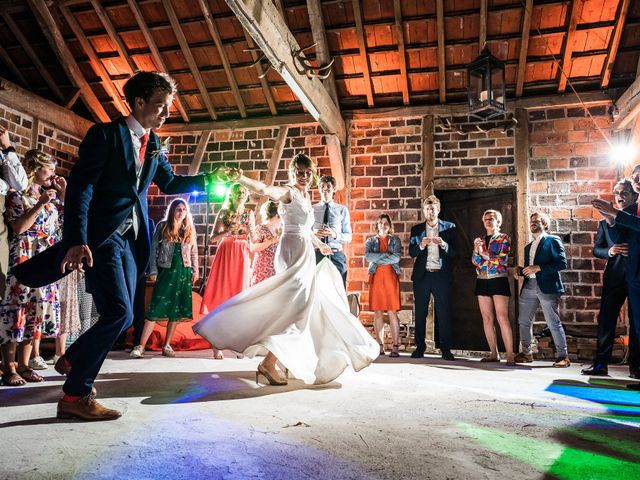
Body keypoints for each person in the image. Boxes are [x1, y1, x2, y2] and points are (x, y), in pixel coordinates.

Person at [14, 71, 223, 419]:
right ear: (138, 102)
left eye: (167, 107)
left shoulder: (154, 145)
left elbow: (170, 183)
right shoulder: (105, 135)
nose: (166, 113)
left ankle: (72, 359)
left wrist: (213, 179)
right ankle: (73, 397)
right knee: (119, 312)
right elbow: (81, 190)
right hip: (101, 239)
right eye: (160, 106)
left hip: (131, 242)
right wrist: (77, 241)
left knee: (123, 316)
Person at [194, 154, 379, 386]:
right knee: (297, 307)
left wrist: (319, 244)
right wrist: (242, 178)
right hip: (291, 249)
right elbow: (265, 189)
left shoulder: (306, 194)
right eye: (299, 172)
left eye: (307, 172)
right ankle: (269, 362)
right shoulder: (289, 192)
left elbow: (306, 229)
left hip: (305, 250)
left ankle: (280, 360)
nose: (303, 176)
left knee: (298, 306)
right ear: (292, 173)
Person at [0, 150, 65, 386]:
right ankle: (9, 367)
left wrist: (64, 196)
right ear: (35, 169)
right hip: (24, 256)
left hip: (44, 256)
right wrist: (39, 205)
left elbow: (61, 228)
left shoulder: (50, 197)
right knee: (16, 310)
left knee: (34, 313)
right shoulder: (17, 195)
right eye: (50, 168)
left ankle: (26, 364)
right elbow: (18, 228)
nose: (53, 173)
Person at [583, 180, 638, 377]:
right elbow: (597, 249)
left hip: (636, 274)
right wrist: (610, 251)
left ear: (634, 196)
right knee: (606, 318)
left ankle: (635, 366)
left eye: (624, 192)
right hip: (614, 275)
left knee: (635, 320)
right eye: (616, 193)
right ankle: (600, 364)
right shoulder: (605, 221)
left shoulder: (636, 217)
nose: (619, 196)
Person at [131, 198, 198, 358]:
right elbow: (153, 250)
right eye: (178, 209)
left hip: (184, 271)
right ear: (172, 210)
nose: (181, 212)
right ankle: (140, 346)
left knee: (175, 310)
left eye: (184, 209)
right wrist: (153, 270)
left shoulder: (189, 228)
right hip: (166, 270)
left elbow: (194, 251)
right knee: (155, 308)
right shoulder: (163, 226)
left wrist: (195, 270)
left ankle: (167, 345)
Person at [199, 182, 254, 359]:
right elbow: (213, 238)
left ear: (246, 196)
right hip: (227, 252)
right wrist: (227, 233)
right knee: (222, 298)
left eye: (243, 192)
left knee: (240, 300)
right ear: (231, 195)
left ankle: (238, 345)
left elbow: (252, 239)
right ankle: (217, 345)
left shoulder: (249, 214)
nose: (240, 195)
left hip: (242, 255)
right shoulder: (224, 213)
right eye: (237, 192)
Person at [514, 212, 570, 367]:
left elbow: (562, 263)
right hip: (529, 286)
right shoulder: (528, 247)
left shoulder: (552, 240)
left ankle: (563, 356)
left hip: (548, 286)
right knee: (524, 321)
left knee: (553, 322)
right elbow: (530, 269)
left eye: (536, 221)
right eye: (531, 221)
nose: (532, 223)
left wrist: (538, 267)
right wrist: (521, 271)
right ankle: (526, 354)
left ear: (545, 224)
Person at [409, 195, 457, 360]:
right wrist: (421, 245)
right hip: (422, 276)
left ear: (438, 209)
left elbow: (455, 253)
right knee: (420, 314)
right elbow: (411, 252)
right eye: (427, 209)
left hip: (441, 276)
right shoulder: (416, 230)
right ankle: (419, 347)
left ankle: (445, 349)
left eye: (433, 208)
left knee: (443, 313)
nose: (430, 211)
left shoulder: (450, 227)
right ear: (424, 210)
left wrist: (443, 244)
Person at [472, 209, 515, 366]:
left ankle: (510, 355)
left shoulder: (504, 238)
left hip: (498, 279)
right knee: (487, 318)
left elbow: (502, 260)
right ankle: (493, 353)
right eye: (485, 219)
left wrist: (483, 255)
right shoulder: (480, 240)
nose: (488, 221)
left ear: (499, 222)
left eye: (492, 218)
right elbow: (475, 261)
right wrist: (478, 252)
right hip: (482, 279)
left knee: (502, 317)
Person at [365, 214, 402, 357]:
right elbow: (368, 256)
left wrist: (379, 257)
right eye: (380, 223)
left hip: (391, 278)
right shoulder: (370, 241)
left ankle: (395, 346)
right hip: (376, 277)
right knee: (378, 312)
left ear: (390, 225)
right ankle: (380, 346)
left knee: (392, 311)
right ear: (377, 225)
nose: (383, 225)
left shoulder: (395, 240)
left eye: (386, 223)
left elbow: (397, 257)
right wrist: (386, 255)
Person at [312, 175, 352, 286]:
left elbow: (348, 237)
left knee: (338, 289)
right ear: (319, 189)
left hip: (336, 255)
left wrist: (334, 234)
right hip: (317, 255)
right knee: (316, 290)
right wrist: (314, 235)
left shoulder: (342, 210)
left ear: (333, 189)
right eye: (322, 186)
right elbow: (305, 234)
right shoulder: (312, 209)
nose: (325, 189)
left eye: (328, 186)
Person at [250, 200, 281, 286]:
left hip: (276, 266)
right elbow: (253, 248)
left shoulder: (279, 230)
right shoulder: (260, 228)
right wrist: (271, 241)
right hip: (263, 267)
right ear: (276, 215)